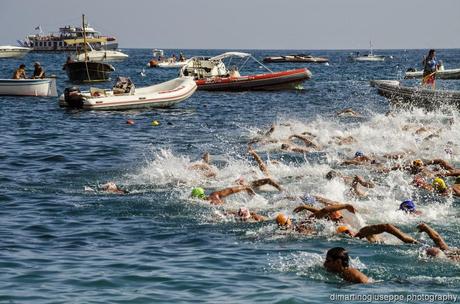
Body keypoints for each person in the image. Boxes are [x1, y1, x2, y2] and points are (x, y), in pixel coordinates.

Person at [336, 223, 418, 244]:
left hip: (406, 242)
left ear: (352, 230)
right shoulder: (359, 240)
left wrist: (403, 238)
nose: (348, 235)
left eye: (347, 231)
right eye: (344, 234)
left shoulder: (363, 231)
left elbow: (386, 226)